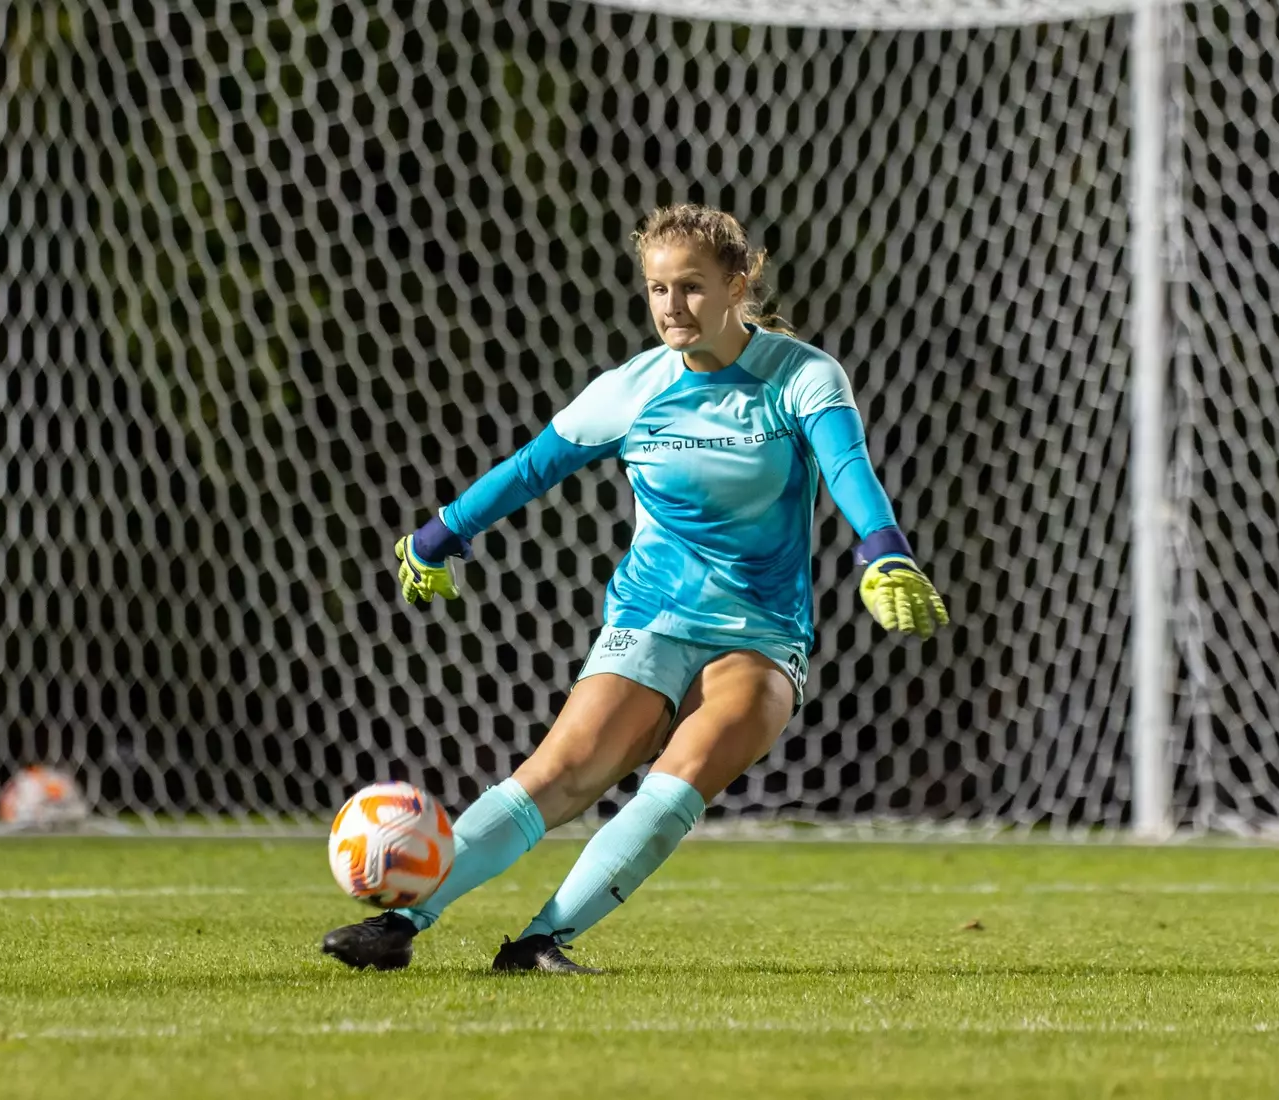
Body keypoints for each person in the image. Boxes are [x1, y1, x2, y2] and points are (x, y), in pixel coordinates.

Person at [322, 203, 948, 974]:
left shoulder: (802, 376)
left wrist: (883, 554)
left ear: (738, 283)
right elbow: (531, 467)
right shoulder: (631, 388)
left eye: (689, 287)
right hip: (651, 616)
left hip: (760, 630)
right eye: (656, 289)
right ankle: (403, 924)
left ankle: (540, 943)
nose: (670, 307)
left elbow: (850, 469)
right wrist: (437, 535)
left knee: (675, 786)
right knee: (558, 776)